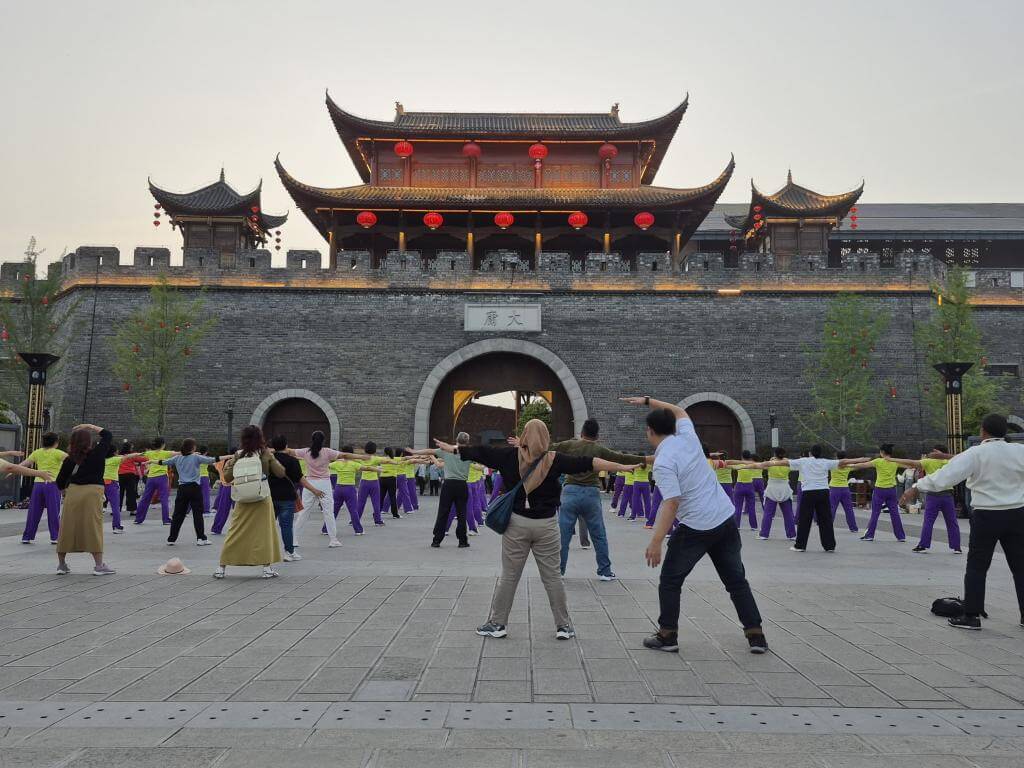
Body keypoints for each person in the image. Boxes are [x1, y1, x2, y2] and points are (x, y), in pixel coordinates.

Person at [436, 421, 638, 640]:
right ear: (545, 437)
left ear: (524, 435)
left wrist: (453, 448)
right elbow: (588, 463)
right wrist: (621, 467)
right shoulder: (555, 459)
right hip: (547, 525)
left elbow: (480, 453)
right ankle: (564, 626)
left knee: (510, 576)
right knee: (552, 577)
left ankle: (498, 624)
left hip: (516, 524)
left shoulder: (508, 456)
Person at [620, 396, 768, 655]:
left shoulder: (664, 461)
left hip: (696, 527)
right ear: (674, 427)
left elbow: (672, 502)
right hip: (724, 519)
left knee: (669, 580)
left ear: (649, 432)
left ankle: (668, 635)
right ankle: (755, 635)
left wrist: (656, 542)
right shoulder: (688, 438)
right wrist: (647, 401)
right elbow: (678, 410)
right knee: (736, 581)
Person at [901, 414, 1024, 629]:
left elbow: (947, 475)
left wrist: (917, 487)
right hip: (1017, 513)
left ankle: (972, 616)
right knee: (1020, 566)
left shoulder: (976, 453)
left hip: (987, 514)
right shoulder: (1020, 451)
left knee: (977, 566)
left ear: (983, 431)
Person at [547, 419, 649, 581]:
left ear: (582, 433)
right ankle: (604, 571)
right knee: (598, 534)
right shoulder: (599, 449)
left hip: (570, 492)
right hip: (591, 494)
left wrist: (523, 444)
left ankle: (559, 571)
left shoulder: (570, 445)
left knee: (563, 535)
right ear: (597, 436)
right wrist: (647, 459)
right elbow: (620, 458)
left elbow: (547, 448)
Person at [745, 447, 867, 552]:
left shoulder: (803, 461)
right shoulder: (826, 462)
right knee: (826, 519)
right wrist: (860, 459)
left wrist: (751, 465)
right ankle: (829, 546)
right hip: (823, 492)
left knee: (805, 520)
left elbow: (775, 464)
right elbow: (844, 462)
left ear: (810, 453)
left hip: (809, 492)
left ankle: (800, 545)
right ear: (821, 453)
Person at [215, 425, 285, 579]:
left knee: (235, 531)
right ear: (260, 438)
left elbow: (226, 477)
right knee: (264, 532)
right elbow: (280, 473)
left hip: (242, 498)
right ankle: (266, 568)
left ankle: (221, 567)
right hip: (262, 497)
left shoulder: (238, 455)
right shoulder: (264, 453)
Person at [54, 424, 115, 576]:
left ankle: (62, 565)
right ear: (89, 442)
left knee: (67, 526)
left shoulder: (69, 459)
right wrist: (90, 426)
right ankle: (99, 565)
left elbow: (60, 480)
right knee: (93, 527)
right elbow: (107, 434)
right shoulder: (98, 453)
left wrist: (64, 491)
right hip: (93, 492)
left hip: (73, 492)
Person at [288, 431, 364, 547]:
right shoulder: (327, 452)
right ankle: (333, 540)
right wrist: (362, 456)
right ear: (323, 440)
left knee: (304, 513)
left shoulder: (305, 451)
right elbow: (345, 455)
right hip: (324, 483)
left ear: (312, 439)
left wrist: (270, 450)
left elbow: (289, 451)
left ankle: (294, 540)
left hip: (309, 484)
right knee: (329, 512)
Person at [887, 446, 962, 553]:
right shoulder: (950, 462)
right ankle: (956, 547)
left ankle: (923, 545)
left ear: (938, 452)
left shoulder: (928, 462)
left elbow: (911, 462)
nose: (932, 453)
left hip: (933, 495)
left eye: (934, 451)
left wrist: (892, 459)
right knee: (951, 521)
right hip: (947, 495)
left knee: (928, 521)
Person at [408, 434, 473, 548]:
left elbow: (429, 450)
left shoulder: (446, 451)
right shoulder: (469, 453)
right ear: (467, 442)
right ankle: (462, 541)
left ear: (456, 440)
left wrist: (415, 451)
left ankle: (436, 540)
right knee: (462, 513)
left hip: (448, 484)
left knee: (443, 512)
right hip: (462, 485)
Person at [271, 434, 323, 561]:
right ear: (286, 445)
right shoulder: (292, 461)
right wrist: (314, 490)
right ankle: (289, 553)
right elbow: (300, 479)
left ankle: (266, 552)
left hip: (270, 496)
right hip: (287, 497)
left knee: (268, 526)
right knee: (286, 526)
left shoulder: (268, 460)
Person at [160, 439, 218, 546]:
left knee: (178, 514)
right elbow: (212, 460)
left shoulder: (177, 458)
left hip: (182, 489)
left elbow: (163, 462)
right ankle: (201, 538)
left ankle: (171, 539)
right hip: (194, 488)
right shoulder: (196, 457)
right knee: (197, 513)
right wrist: (231, 456)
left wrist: (151, 461)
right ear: (193, 447)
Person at [848, 445, 906, 542]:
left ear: (882, 452)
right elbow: (910, 465)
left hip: (880, 490)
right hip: (891, 490)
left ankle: (870, 535)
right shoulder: (895, 462)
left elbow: (863, 465)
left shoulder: (878, 461)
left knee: (875, 513)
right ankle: (900, 536)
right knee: (895, 513)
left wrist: (849, 465)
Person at [20, 432, 66, 544]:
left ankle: (27, 536)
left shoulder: (37, 452)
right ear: (56, 442)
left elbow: (25, 464)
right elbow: (73, 461)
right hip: (52, 484)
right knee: (54, 511)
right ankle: (55, 537)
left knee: (33, 511)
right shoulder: (58, 453)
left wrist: (13, 469)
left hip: (38, 484)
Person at [757, 448, 796, 540]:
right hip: (784, 489)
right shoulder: (788, 463)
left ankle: (764, 534)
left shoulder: (770, 463)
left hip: (772, 489)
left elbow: (761, 466)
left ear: (775, 454)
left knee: (768, 513)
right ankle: (792, 535)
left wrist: (771, 460)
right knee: (788, 514)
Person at [103, 443, 143, 534]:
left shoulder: (102, 460)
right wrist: (138, 454)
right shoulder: (115, 459)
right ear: (113, 452)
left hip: (101, 483)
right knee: (115, 506)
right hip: (111, 483)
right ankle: (117, 527)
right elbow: (128, 456)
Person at [135, 437, 176, 525]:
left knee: (145, 498)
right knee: (164, 499)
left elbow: (139, 455)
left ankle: (138, 519)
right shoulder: (166, 453)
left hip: (151, 478)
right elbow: (180, 453)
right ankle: (166, 520)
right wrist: (193, 453)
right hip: (162, 478)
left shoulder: (149, 453)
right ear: (163, 444)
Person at [329, 447, 363, 536]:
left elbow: (327, 465)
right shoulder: (354, 464)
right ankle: (358, 530)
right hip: (349, 488)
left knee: (334, 510)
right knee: (353, 510)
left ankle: (326, 529)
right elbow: (365, 468)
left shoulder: (336, 463)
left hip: (338, 488)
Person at [829, 452, 859, 533]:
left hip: (834, 489)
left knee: (832, 509)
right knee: (849, 509)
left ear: (836, 457)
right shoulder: (847, 466)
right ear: (845, 458)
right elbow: (858, 466)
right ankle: (853, 528)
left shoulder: (833, 465)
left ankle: (828, 527)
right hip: (845, 489)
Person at [356, 442, 385, 526]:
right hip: (374, 482)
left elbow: (352, 458)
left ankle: (355, 520)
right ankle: (378, 521)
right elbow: (385, 460)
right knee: (376, 502)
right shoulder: (375, 458)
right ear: (374, 450)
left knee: (360, 502)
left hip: (364, 482)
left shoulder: (362, 458)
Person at [116, 441, 145, 521]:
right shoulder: (132, 456)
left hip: (120, 475)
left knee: (119, 493)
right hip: (130, 475)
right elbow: (143, 459)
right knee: (131, 493)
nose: (132, 448)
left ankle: (117, 509)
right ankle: (132, 510)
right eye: (131, 447)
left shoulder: (119, 456)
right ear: (129, 448)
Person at [732, 451, 760, 532]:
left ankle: (737, 526)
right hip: (749, 486)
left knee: (738, 507)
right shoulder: (752, 464)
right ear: (750, 457)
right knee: (751, 507)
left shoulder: (739, 464)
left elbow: (729, 465)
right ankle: (754, 526)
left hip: (739, 485)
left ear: (742, 456)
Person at [378, 448, 404, 520]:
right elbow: (406, 459)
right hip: (391, 479)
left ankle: (377, 513)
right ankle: (395, 514)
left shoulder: (382, 459)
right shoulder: (395, 459)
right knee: (392, 497)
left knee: (381, 497)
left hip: (382, 479)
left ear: (384, 452)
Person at [210, 457, 234, 534]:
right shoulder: (238, 461)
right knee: (238, 510)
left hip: (225, 486)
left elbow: (213, 463)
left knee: (222, 508)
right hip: (236, 486)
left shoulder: (221, 463)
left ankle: (216, 528)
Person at [198, 445, 213, 515]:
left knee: (193, 494)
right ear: (206, 452)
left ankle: (186, 511)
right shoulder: (206, 458)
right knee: (206, 494)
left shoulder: (196, 458)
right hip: (204, 477)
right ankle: (206, 511)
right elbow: (214, 462)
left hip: (196, 478)